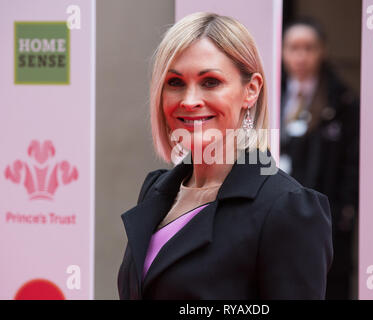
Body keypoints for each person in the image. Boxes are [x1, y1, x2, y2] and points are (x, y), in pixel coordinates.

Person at [117, 12, 333, 300]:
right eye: (175, 83)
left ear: (251, 91)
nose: (190, 100)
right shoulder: (156, 191)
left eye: (210, 82)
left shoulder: (287, 208)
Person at [279, 17, 360, 299]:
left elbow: (352, 164)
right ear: (281, 51)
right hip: (276, 214)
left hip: (321, 218)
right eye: (293, 48)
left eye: (309, 48)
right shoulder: (268, 96)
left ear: (322, 50)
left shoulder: (342, 101)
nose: (301, 56)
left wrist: (342, 213)